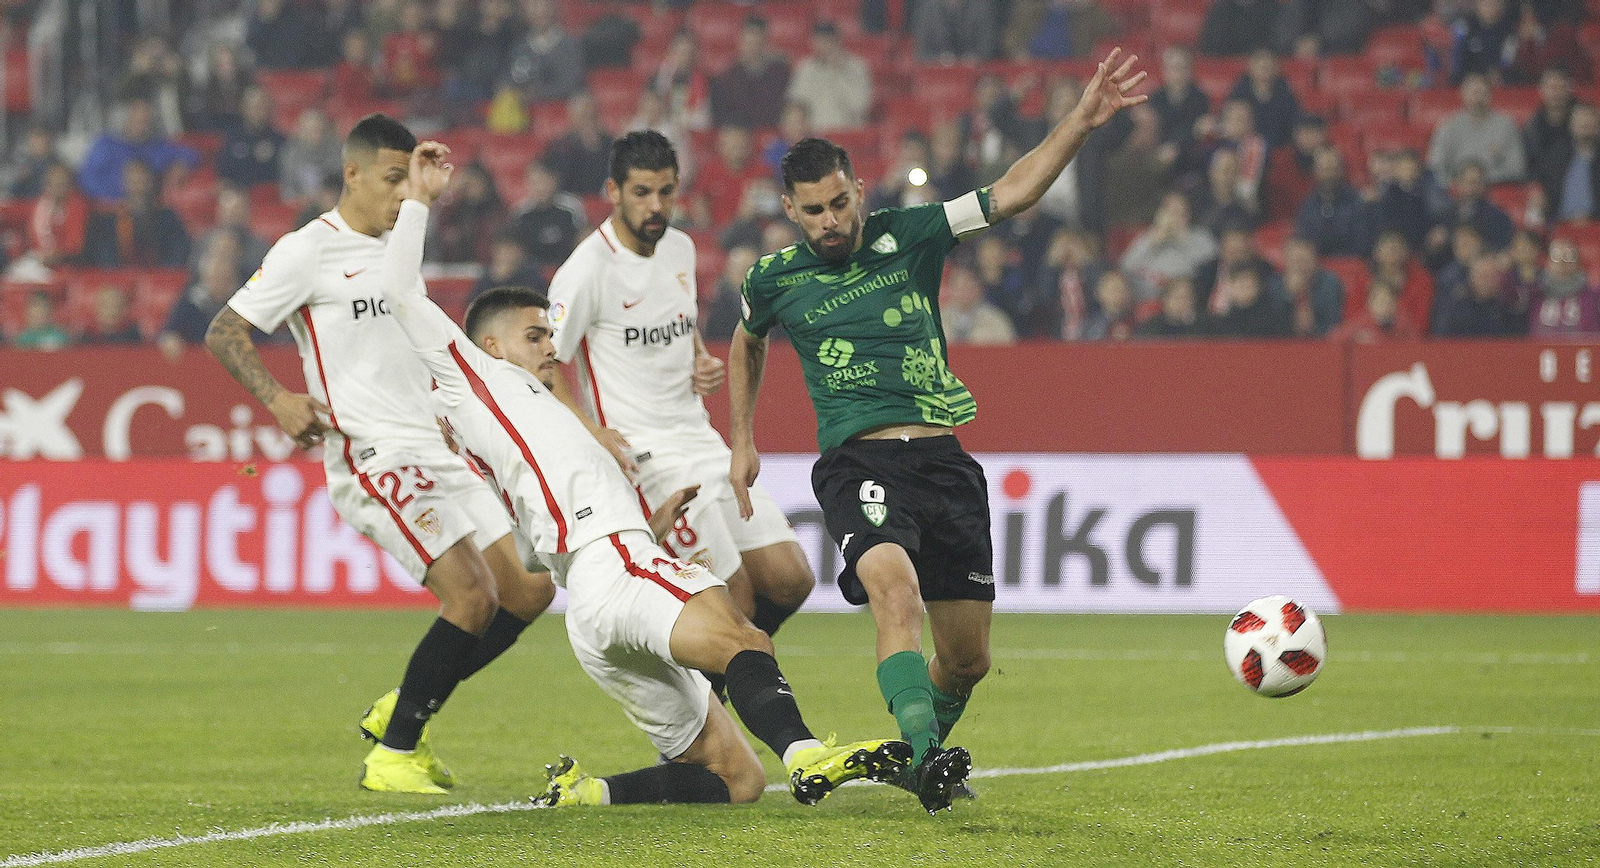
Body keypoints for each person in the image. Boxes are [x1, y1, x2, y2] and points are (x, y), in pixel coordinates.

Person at [376, 145, 910, 808]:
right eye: (535, 335)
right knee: (744, 635)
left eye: (550, 335)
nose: (552, 346)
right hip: (613, 566)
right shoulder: (476, 380)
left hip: (596, 596)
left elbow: (554, 519)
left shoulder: (545, 420)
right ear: (488, 349)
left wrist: (648, 525)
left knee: (736, 780)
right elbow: (399, 291)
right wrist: (420, 199)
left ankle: (590, 794)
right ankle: (808, 753)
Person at [728, 48, 1148, 814]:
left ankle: (924, 744)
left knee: (968, 660)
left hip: (945, 463)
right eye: (813, 210)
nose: (830, 221)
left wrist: (1081, 122)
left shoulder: (911, 233)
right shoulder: (773, 279)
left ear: (858, 191)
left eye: (839, 204)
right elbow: (746, 340)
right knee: (896, 597)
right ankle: (925, 759)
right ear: (789, 210)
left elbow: (1013, 192)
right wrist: (743, 439)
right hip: (858, 462)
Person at [204, 114, 557, 795]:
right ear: (353, 175)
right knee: (470, 594)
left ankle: (406, 704)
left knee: (529, 589)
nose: (402, 195)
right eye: (392, 180)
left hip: (438, 448)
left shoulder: (400, 249)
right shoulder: (307, 251)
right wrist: (279, 398)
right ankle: (393, 754)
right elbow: (225, 331)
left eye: (409, 181)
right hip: (374, 454)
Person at [546, 131, 816, 697]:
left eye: (666, 192)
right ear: (612, 192)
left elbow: (679, 320)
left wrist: (699, 361)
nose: (656, 207)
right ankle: (725, 705)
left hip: (700, 438)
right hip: (648, 458)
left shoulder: (682, 250)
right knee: (734, 599)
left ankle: (714, 685)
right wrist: (592, 431)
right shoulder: (587, 268)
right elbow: (546, 362)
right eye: (642, 193)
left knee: (791, 580)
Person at [78, 97, 199, 201]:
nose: (141, 125)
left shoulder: (157, 146)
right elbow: (87, 179)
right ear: (127, 118)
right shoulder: (106, 145)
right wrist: (121, 195)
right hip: (112, 209)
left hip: (149, 209)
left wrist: (181, 165)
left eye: (145, 121)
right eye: (137, 120)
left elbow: (191, 154)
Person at [83, 160, 192, 268]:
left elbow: (178, 252)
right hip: (116, 278)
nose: (138, 186)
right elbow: (102, 259)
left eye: (142, 180)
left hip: (159, 278)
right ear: (123, 183)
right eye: (133, 181)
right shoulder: (104, 221)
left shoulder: (168, 218)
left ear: (152, 181)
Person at [1427, 73, 1528, 184]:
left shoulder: (1506, 126)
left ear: (1490, 95)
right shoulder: (1448, 126)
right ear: (1462, 94)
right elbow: (1435, 165)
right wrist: (1458, 182)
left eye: (1482, 92)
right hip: (1455, 191)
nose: (1477, 97)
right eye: (1474, 92)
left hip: (1494, 187)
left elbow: (1517, 168)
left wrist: (1482, 180)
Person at [505, 160, 588, 272]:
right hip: (531, 274)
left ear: (554, 181)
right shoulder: (520, 213)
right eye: (534, 183)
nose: (539, 188)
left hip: (568, 269)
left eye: (543, 181)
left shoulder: (571, 207)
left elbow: (583, 239)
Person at [787, 22, 872, 132]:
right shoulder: (806, 68)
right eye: (818, 41)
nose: (823, 45)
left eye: (827, 40)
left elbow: (861, 107)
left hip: (846, 133)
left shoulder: (857, 67)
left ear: (838, 41)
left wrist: (840, 72)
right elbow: (796, 104)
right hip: (813, 135)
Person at [710, 16, 791, 129]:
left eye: (757, 43)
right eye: (749, 43)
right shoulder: (729, 75)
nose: (753, 48)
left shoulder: (779, 72)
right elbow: (722, 116)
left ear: (765, 42)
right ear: (740, 41)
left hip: (771, 134)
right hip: (740, 134)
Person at [1537, 103, 1600, 223]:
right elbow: (1545, 188)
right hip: (1561, 224)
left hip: (1596, 224)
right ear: (1572, 126)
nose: (1586, 130)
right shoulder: (1556, 156)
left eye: (1590, 125)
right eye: (1582, 125)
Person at [1529, 236, 1600, 335]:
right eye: (1556, 257)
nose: (1562, 263)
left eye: (1568, 257)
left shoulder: (1594, 296)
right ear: (1548, 262)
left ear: (1578, 262)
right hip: (1540, 350)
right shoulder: (1534, 293)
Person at [941, 262, 1017, 345]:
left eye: (969, 286)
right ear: (951, 289)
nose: (965, 292)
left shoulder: (996, 320)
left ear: (980, 289)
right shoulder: (937, 320)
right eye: (960, 287)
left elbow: (1008, 351)